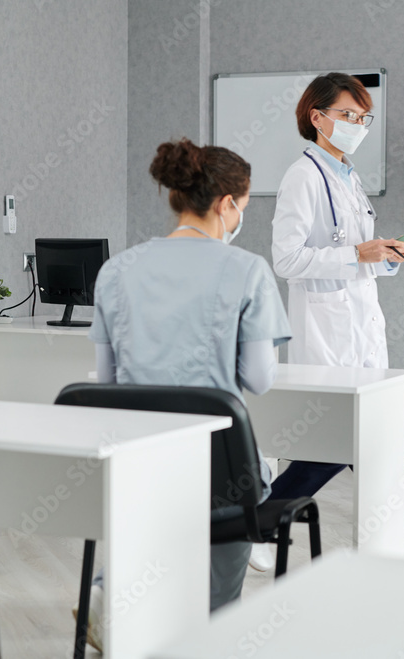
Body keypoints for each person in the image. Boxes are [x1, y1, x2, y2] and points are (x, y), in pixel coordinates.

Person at [78, 138, 291, 652]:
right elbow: (260, 378)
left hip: (135, 465)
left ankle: (115, 591)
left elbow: (105, 382)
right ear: (227, 205)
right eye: (243, 206)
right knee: (220, 585)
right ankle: (208, 631)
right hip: (219, 475)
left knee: (155, 519)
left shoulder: (117, 270)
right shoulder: (247, 270)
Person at [266, 73, 404, 560]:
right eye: (347, 115)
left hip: (360, 325)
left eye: (362, 117)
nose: (357, 124)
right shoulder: (302, 176)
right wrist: (358, 253)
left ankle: (266, 523)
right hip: (326, 331)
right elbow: (286, 260)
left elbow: (357, 257)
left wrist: (387, 256)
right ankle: (261, 522)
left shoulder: (349, 177)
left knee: (352, 441)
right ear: (317, 117)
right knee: (335, 443)